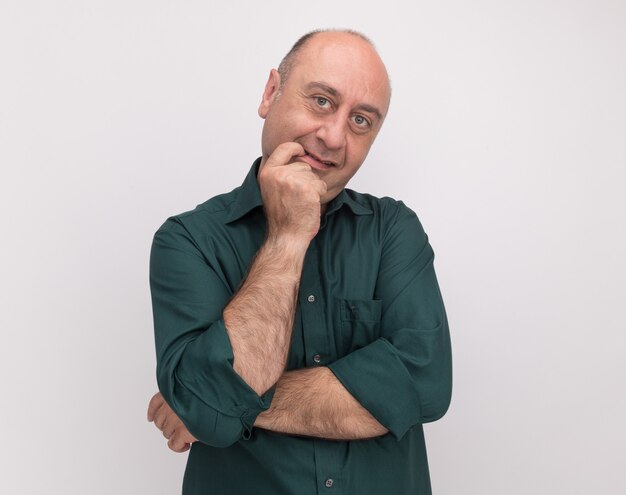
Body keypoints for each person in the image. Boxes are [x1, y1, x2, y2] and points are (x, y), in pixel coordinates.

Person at [147, 29, 452, 494]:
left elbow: (423, 383)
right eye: (322, 101)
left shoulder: (393, 229)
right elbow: (208, 410)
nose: (333, 137)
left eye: (361, 121)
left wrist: (211, 401)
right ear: (271, 93)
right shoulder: (189, 241)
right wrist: (288, 236)